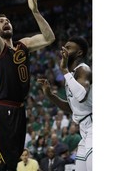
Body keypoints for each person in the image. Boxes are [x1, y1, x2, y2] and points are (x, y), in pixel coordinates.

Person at [0, 0, 55, 171]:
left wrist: (36, 12)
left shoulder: (23, 45)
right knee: (3, 163)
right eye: (1, 21)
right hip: (1, 107)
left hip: (19, 109)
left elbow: (49, 38)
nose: (5, 22)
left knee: (13, 162)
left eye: (7, 21)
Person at [38, 36, 92, 171]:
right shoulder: (71, 75)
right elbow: (72, 107)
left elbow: (81, 96)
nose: (64, 50)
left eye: (68, 47)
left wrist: (64, 71)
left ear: (79, 53)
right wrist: (51, 96)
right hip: (84, 131)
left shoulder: (83, 69)